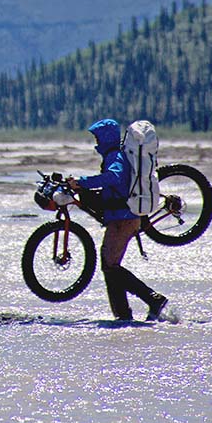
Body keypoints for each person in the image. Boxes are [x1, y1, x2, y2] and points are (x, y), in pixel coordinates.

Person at [65, 118, 168, 322]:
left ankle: (154, 299)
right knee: (109, 266)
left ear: (105, 138)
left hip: (124, 218)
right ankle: (123, 316)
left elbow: (114, 177)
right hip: (120, 218)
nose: (95, 141)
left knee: (110, 266)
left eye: (97, 137)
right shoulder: (114, 155)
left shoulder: (115, 157)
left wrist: (82, 183)